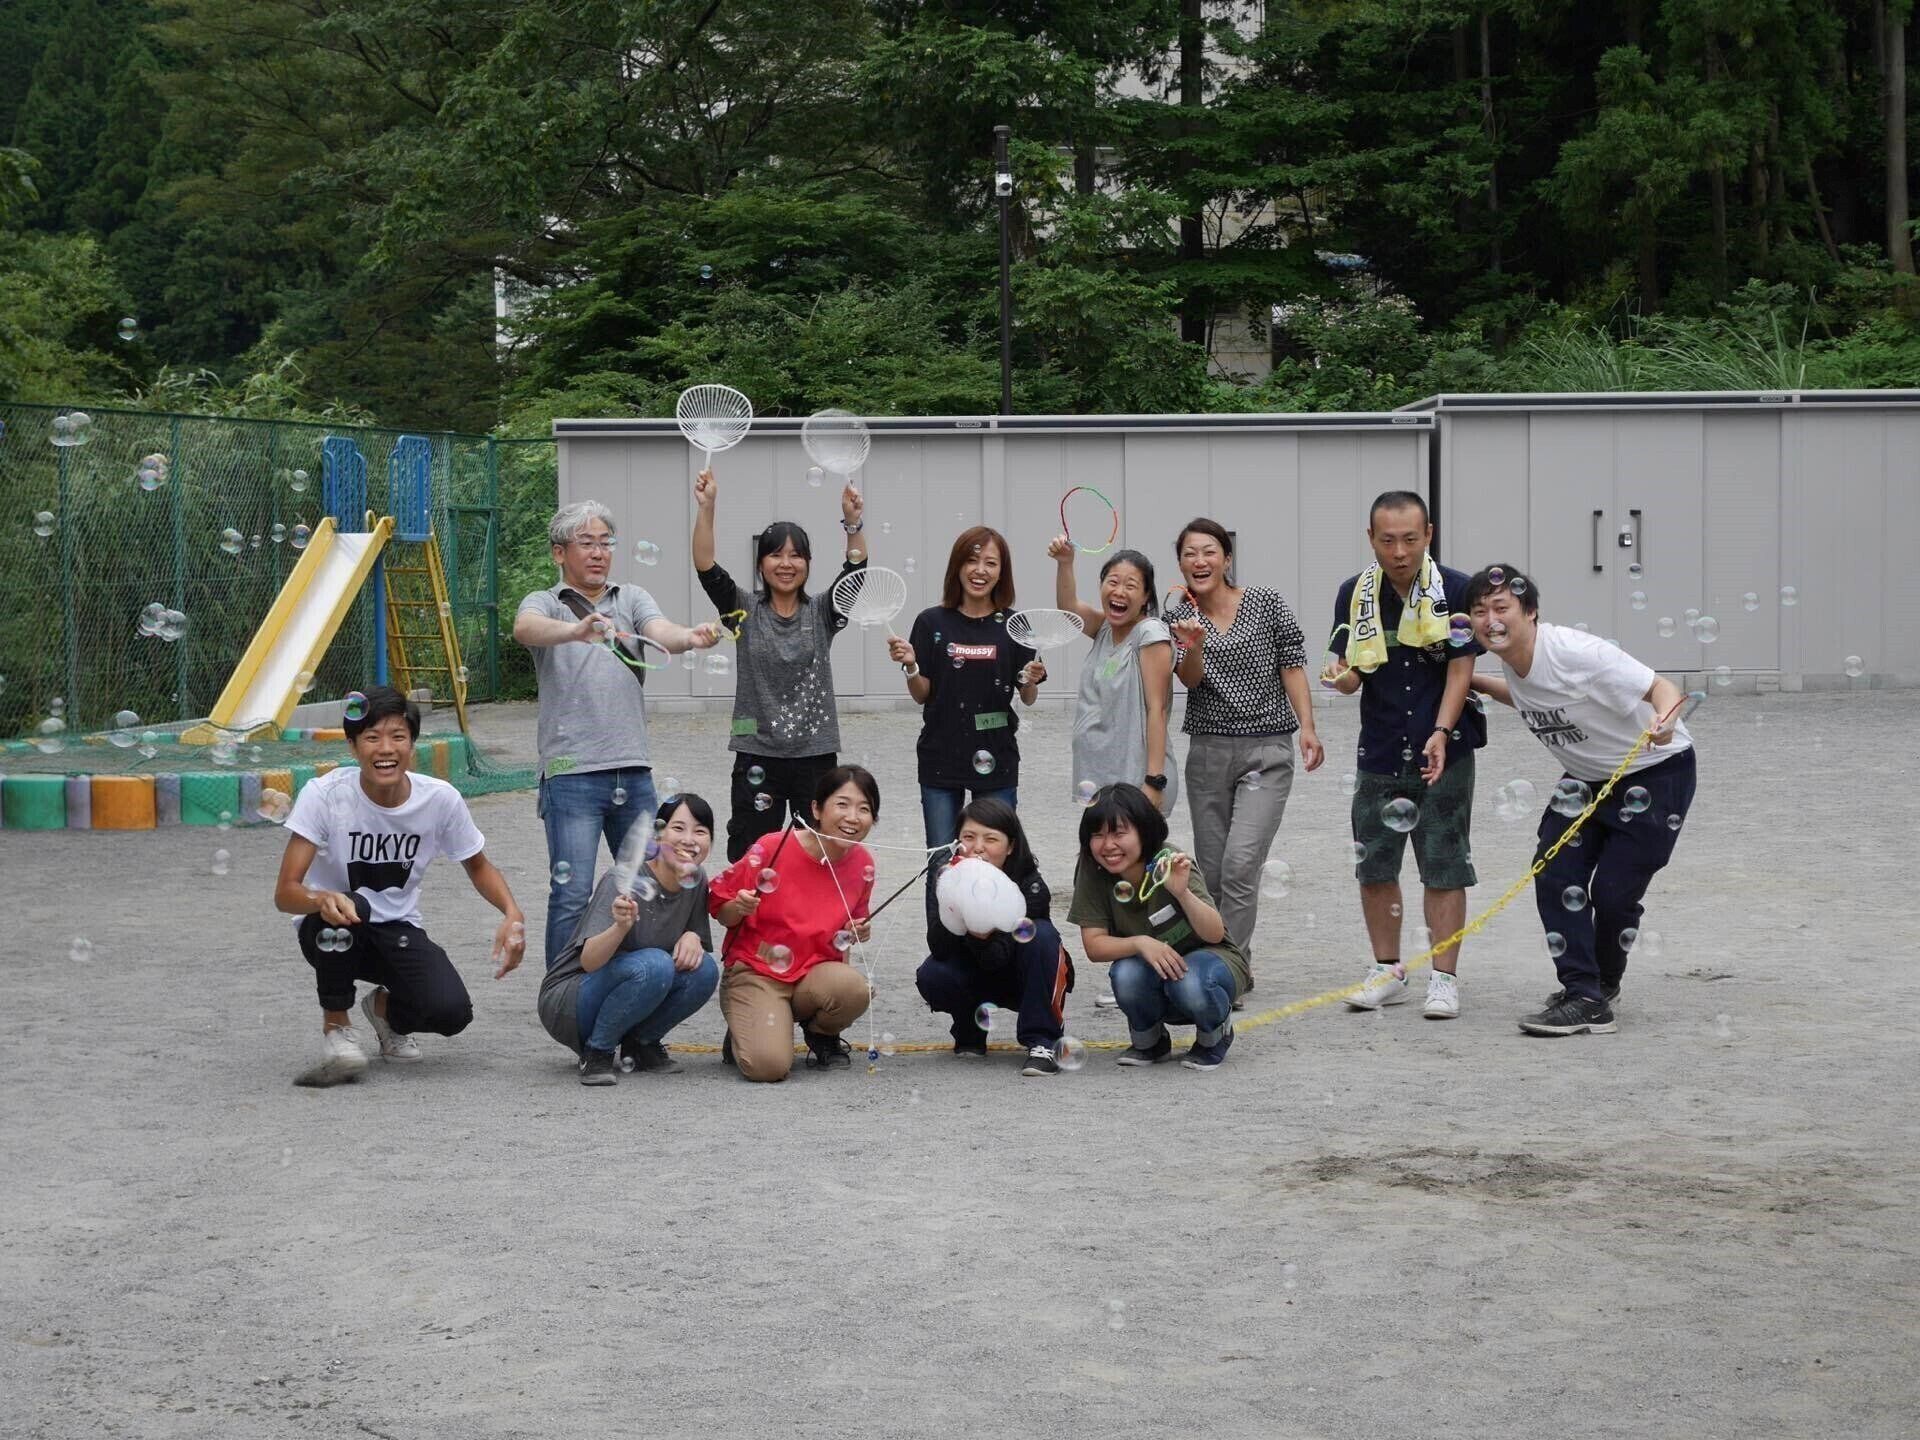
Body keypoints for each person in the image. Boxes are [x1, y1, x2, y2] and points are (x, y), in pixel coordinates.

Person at [1465, 565, 1698, 1037]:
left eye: (1501, 607)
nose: (1491, 620)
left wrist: (1666, 720)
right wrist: (1476, 682)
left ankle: (1601, 985)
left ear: (1531, 612)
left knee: (1614, 893)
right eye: (1479, 611)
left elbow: (1663, 688)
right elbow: (1534, 698)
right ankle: (1583, 993)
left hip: (1655, 773)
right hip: (1585, 780)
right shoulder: (1512, 657)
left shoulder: (1577, 652)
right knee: (1554, 875)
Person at [272, 686, 527, 1085]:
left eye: (397, 736)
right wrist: (321, 899)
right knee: (350, 905)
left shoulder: (439, 799)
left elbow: (478, 866)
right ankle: (337, 1031)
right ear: (353, 745)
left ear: (412, 744)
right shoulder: (324, 795)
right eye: (372, 737)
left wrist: (512, 913)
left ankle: (384, 1011)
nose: (385, 749)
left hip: (398, 929)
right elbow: (286, 892)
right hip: (328, 929)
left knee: (451, 1012)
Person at [514, 500, 723, 969]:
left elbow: (660, 631)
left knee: (652, 879)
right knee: (572, 892)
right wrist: (575, 631)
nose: (598, 552)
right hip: (571, 773)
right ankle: (564, 990)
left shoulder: (630, 598)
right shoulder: (547, 603)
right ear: (559, 552)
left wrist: (689, 637)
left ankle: (640, 978)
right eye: (586, 543)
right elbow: (524, 627)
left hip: (633, 771)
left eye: (605, 543)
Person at [1322, 491, 1485, 1018]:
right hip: (1380, 746)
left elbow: (1461, 669)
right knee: (1375, 864)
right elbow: (1350, 674)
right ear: (1371, 538)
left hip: (1445, 750)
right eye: (1388, 540)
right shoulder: (1354, 594)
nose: (1399, 552)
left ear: (1428, 535)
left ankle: (1444, 977)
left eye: (1410, 539)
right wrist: (1340, 677)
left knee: (1445, 864)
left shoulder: (1457, 589)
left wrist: (1441, 729)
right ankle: (1387, 969)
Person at [1162, 518, 1322, 1000]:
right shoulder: (1179, 616)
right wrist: (1191, 644)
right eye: (1190, 554)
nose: (1200, 561)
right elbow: (1190, 679)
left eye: (1209, 551)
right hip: (1208, 751)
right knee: (1211, 872)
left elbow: (1292, 663)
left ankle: (1231, 970)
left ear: (1227, 558)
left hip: (1267, 750)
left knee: (1240, 863)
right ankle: (1224, 966)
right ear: (1181, 564)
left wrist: (1308, 726)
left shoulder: (1266, 601)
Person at [692, 467, 867, 862]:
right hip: (757, 753)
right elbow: (705, 566)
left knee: (819, 857)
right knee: (752, 858)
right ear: (760, 564)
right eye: (775, 554)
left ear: (808, 563)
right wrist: (707, 507)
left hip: (815, 757)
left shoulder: (822, 612)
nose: (786, 563)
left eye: (796, 555)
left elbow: (856, 573)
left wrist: (853, 523)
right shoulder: (742, 609)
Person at [886, 527, 1047, 924]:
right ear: (957, 567)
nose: (980, 570)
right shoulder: (930, 622)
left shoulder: (1015, 625)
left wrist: (1030, 678)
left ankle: (995, 941)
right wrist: (911, 665)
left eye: (991, 563)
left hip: (997, 756)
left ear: (1002, 571)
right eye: (972, 560)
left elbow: (1027, 696)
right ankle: (943, 947)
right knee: (942, 861)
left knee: (996, 859)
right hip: (940, 756)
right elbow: (922, 694)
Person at [708, 765, 880, 1082]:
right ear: (816, 809)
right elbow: (719, 908)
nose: (853, 817)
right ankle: (748, 1023)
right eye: (842, 804)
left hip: (812, 972)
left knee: (856, 989)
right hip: (758, 968)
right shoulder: (772, 847)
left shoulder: (862, 863)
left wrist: (856, 932)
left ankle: (821, 1034)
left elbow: (846, 934)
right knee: (768, 1067)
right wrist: (739, 907)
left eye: (864, 809)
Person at [537, 792, 722, 1085]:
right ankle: (597, 1052)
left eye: (700, 831)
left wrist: (692, 935)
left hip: (632, 984)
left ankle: (641, 1045)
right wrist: (620, 928)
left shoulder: (696, 880)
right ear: (658, 835)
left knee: (705, 970)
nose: (689, 840)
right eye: (678, 828)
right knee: (656, 964)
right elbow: (589, 961)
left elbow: (693, 935)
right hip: (570, 1002)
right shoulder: (622, 880)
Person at [1069, 783, 1247, 1070]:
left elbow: (1214, 934)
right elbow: (1094, 945)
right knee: (1125, 974)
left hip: (1210, 961)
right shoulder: (1092, 869)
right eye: (1097, 835)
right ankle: (1150, 1041)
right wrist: (1141, 943)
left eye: (1119, 833)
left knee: (1189, 982)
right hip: (1153, 967)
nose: (1107, 845)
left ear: (1143, 830)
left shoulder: (1170, 861)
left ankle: (1215, 1035)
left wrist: (1182, 893)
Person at [914, 798, 1072, 1077]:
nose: (978, 847)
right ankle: (969, 1029)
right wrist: (956, 902)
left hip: (1022, 979)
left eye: (991, 839)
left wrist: (981, 931)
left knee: (1042, 936)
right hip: (974, 974)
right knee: (933, 974)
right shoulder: (947, 877)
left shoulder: (1031, 886)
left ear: (1010, 846)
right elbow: (938, 947)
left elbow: (998, 957)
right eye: (968, 837)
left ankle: (1043, 1041)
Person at [1047, 537, 1178, 811]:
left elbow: (1157, 709)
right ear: (1101, 585)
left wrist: (1154, 781)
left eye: (1131, 586)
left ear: (1146, 597)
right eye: (1113, 582)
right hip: (1098, 776)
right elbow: (1069, 609)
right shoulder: (1105, 628)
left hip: (1135, 779)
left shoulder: (1150, 634)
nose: (1119, 591)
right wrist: (1065, 563)